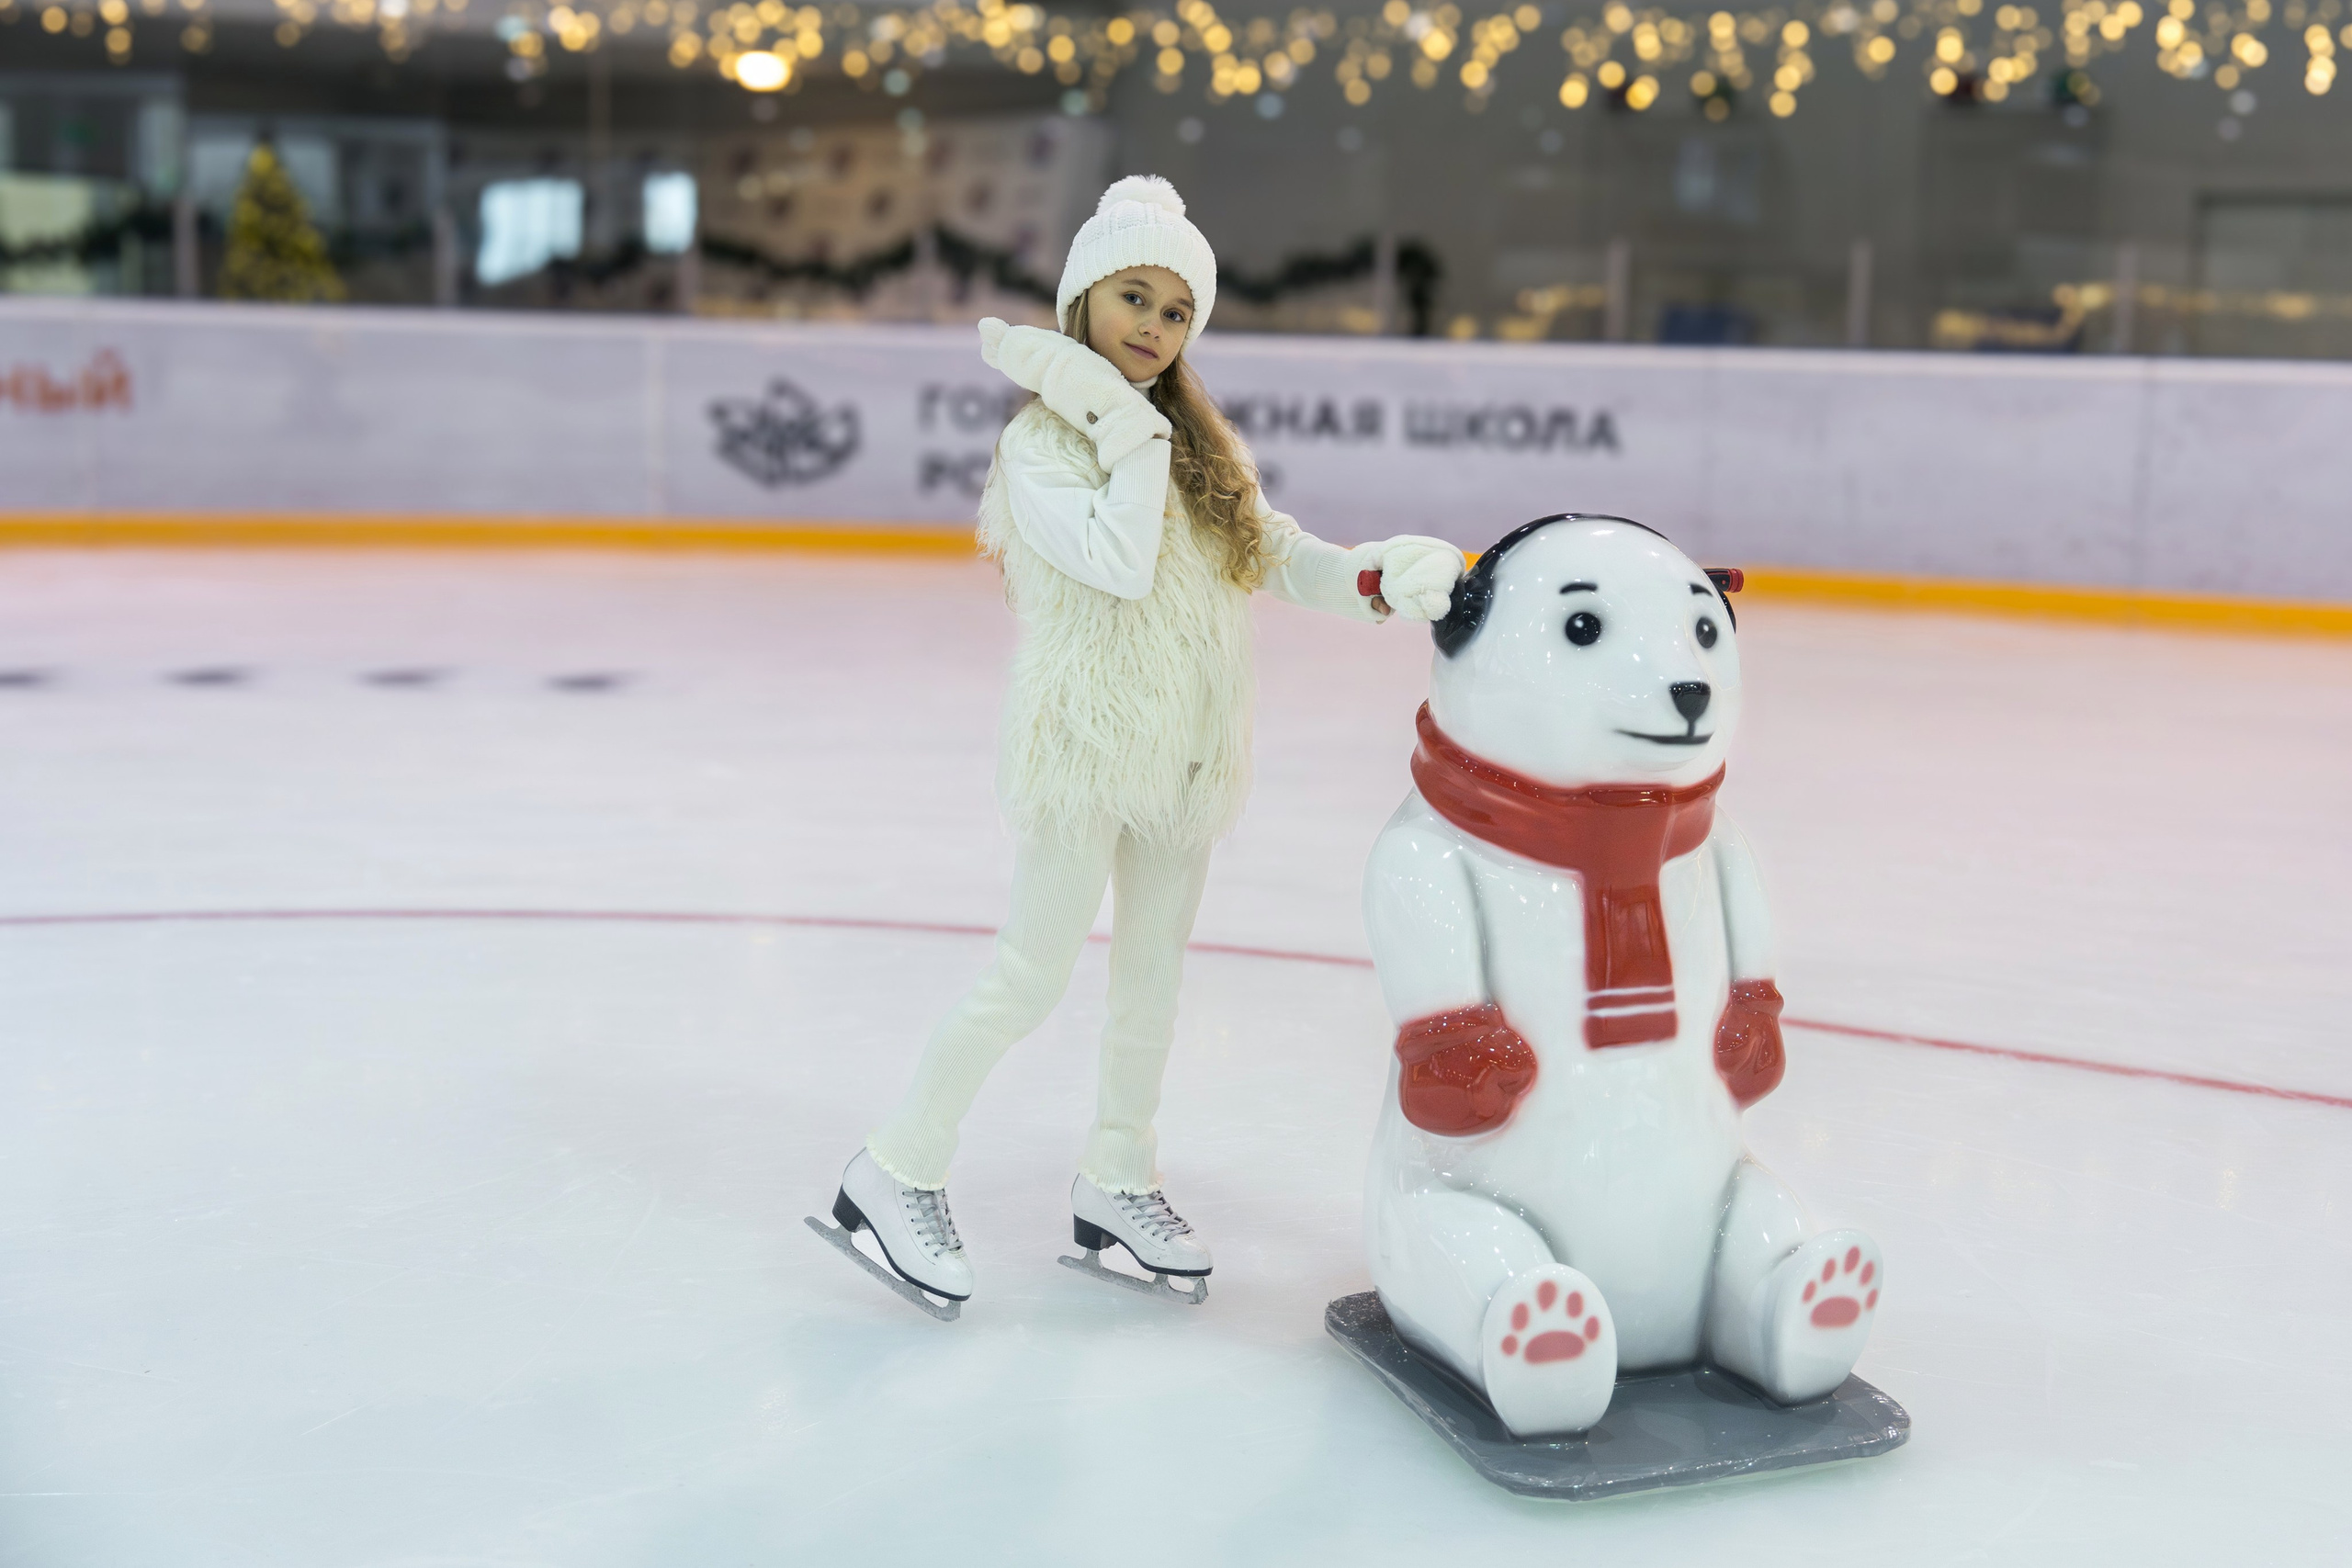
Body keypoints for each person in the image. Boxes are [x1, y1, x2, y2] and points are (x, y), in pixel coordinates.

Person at [828, 175, 1464, 1306]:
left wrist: (1375, 578)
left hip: (1187, 751)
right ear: (1082, 298)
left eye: (1176, 312)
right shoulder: (1042, 445)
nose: (1154, 327)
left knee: (1152, 982)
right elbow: (1119, 562)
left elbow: (1274, 553)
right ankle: (895, 1166)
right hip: (1086, 741)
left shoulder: (1198, 447)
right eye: (1134, 297)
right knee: (1028, 975)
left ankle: (1117, 1175)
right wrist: (1124, 427)